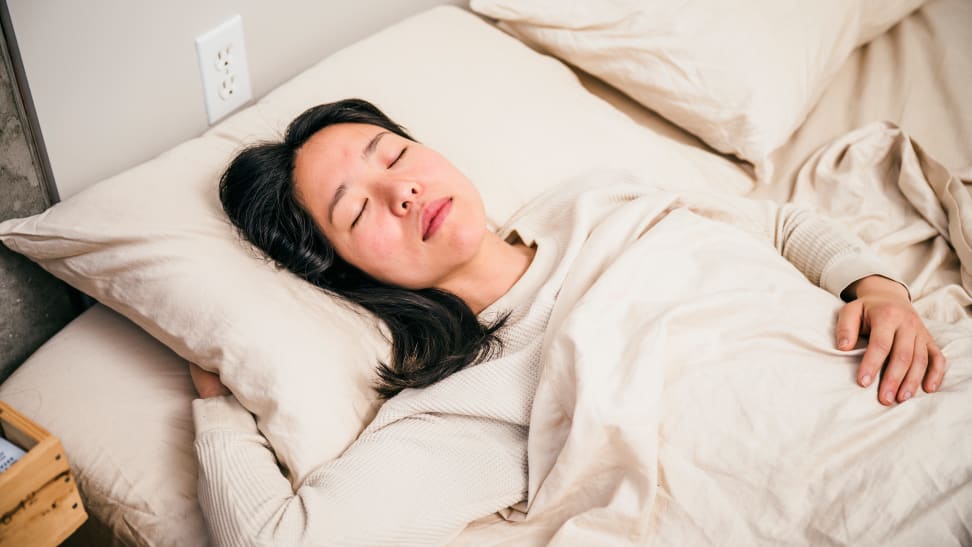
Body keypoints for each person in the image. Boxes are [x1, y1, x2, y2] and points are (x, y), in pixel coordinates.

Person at [190, 98, 947, 545]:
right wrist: (217, 407)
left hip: (924, 397)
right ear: (350, 274)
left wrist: (879, 289)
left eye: (393, 153)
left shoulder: (594, 199)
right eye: (358, 210)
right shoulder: (462, 401)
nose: (403, 191)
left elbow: (776, 226)